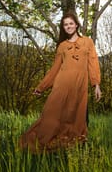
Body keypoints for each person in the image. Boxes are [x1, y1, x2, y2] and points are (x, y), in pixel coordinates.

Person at [18, 11, 102, 153]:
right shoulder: (62, 46)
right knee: (51, 115)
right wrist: (42, 87)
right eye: (65, 25)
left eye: (70, 23)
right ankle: (42, 142)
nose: (68, 26)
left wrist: (96, 85)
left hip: (79, 87)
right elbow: (55, 69)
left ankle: (73, 147)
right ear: (63, 27)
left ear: (76, 25)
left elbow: (93, 63)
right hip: (61, 85)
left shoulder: (88, 42)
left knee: (75, 117)